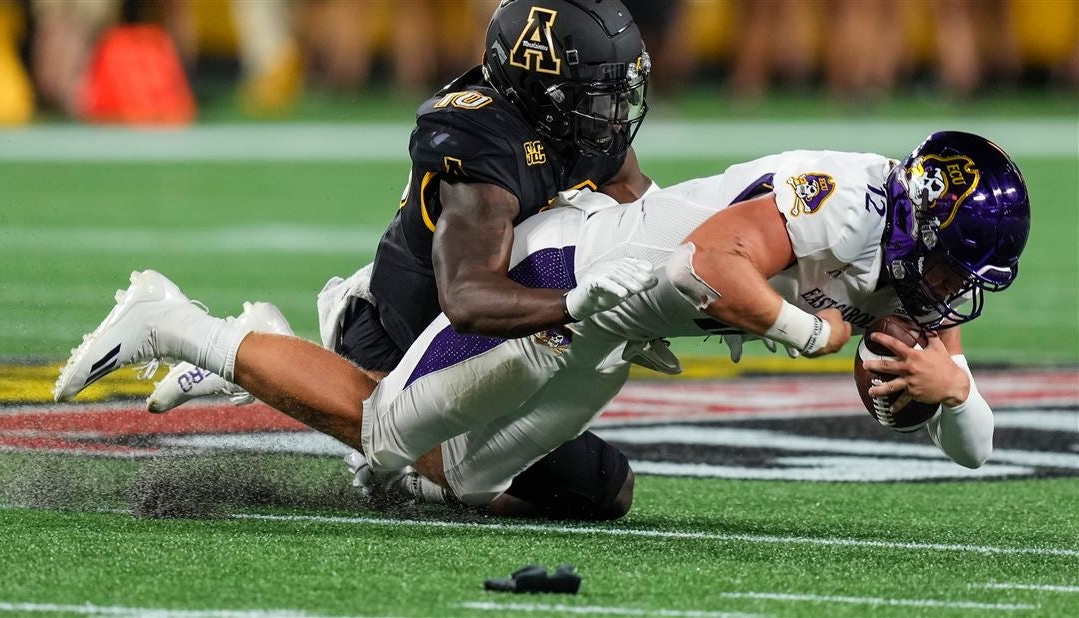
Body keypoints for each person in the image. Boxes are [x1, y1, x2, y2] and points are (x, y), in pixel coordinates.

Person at [54, 130, 1030, 512]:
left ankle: (268, 346)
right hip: (579, 272)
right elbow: (711, 264)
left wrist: (954, 391)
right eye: (952, 264)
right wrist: (813, 336)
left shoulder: (913, 258)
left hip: (620, 334)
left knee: (459, 479)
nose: (952, 291)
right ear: (918, 220)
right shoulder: (851, 199)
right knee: (391, 439)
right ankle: (177, 322)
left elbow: (973, 450)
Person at [149, 0, 658, 520]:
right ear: (540, 90)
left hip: (498, 341)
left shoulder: (586, 134)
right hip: (405, 335)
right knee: (411, 448)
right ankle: (233, 348)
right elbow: (467, 300)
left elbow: (648, 219)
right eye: (595, 97)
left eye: (618, 95)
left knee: (602, 490)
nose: (613, 115)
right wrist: (580, 302)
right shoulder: (484, 144)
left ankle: (306, 383)